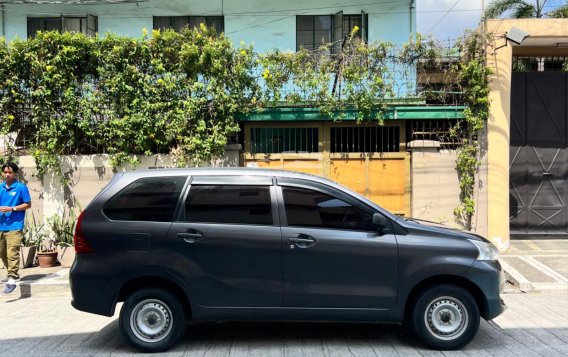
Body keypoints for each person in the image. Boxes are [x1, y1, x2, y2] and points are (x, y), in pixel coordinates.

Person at [0, 162, 31, 295]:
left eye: (10, 172)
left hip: (15, 225)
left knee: (12, 252)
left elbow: (28, 204)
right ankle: (12, 273)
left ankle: (12, 278)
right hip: (1, 225)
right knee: (2, 253)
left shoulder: (21, 187)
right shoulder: (0, 187)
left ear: (15, 173)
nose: (7, 174)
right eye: (5, 172)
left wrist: (12, 208)